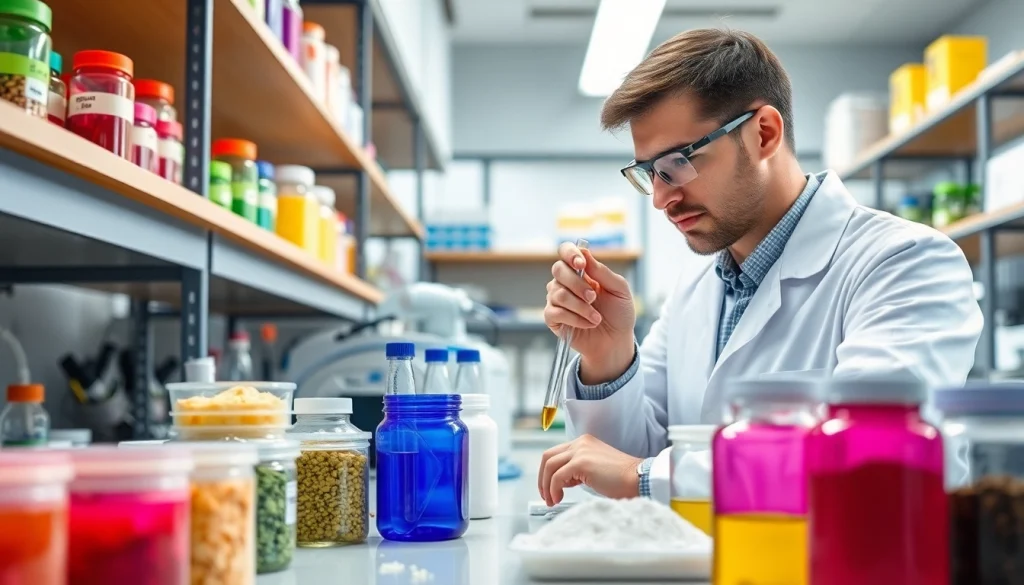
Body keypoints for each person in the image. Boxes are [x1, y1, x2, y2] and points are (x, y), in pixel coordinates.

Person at [537, 28, 983, 507]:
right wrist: (608, 357)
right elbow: (626, 463)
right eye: (649, 174)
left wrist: (646, 477)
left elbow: (870, 457)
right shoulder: (695, 289)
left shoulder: (904, 262)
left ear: (764, 133)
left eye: (677, 163)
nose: (663, 198)